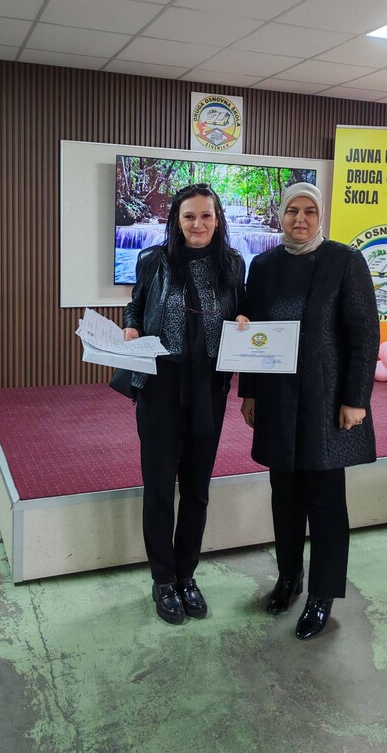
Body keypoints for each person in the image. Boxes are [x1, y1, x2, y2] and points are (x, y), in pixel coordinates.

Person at [239, 182, 379, 640]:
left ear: (321, 216)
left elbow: (364, 335)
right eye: (292, 211)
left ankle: (322, 594)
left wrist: (356, 398)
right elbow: (253, 334)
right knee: (284, 496)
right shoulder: (263, 266)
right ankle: (289, 577)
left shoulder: (344, 261)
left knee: (325, 501)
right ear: (281, 215)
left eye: (310, 211)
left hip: (326, 400)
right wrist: (250, 393)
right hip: (277, 399)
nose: (300, 219)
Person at [123, 184, 247, 625]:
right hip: (161, 384)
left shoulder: (232, 263)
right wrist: (131, 328)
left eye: (206, 216)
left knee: (197, 489)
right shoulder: (153, 260)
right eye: (189, 216)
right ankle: (163, 580)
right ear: (176, 220)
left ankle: (186, 575)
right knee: (159, 487)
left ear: (218, 219)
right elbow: (135, 308)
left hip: (209, 386)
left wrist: (244, 319)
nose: (198, 224)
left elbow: (240, 310)